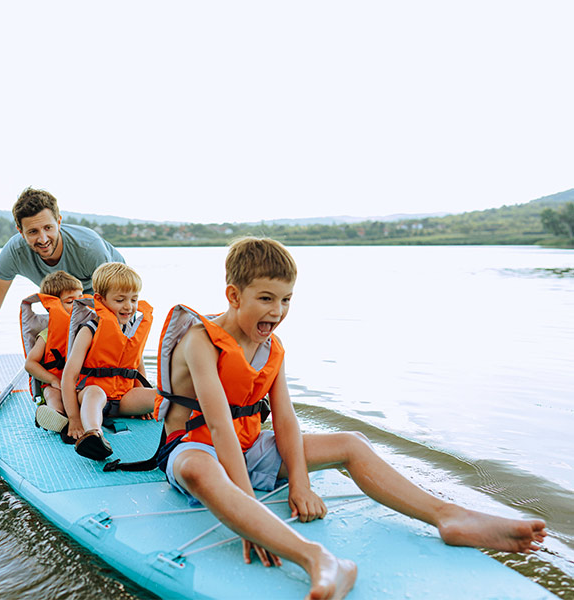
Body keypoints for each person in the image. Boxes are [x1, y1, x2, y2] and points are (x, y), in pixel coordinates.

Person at [153, 237, 547, 600]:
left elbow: (286, 418)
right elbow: (220, 426)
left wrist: (301, 484)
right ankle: (318, 560)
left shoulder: (271, 346)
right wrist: (246, 509)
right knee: (197, 471)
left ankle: (451, 517)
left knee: (352, 442)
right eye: (267, 298)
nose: (277, 312)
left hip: (249, 447)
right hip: (195, 448)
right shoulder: (199, 340)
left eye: (287, 300)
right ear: (234, 295)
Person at [0, 187, 125, 401]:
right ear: (20, 231)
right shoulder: (14, 253)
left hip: (108, 291)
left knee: (94, 340)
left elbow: (118, 310)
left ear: (59, 222)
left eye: (48, 227)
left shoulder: (89, 248)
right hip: (63, 297)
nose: (43, 239)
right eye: (33, 232)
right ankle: (57, 395)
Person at [62, 262, 156, 460]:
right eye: (120, 300)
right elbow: (69, 377)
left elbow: (136, 365)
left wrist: (141, 396)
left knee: (160, 396)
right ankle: (93, 434)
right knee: (95, 393)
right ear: (100, 299)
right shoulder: (89, 330)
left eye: (134, 299)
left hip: (123, 399)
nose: (129, 306)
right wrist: (74, 419)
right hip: (92, 395)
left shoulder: (130, 329)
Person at [22, 270, 83, 434]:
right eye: (71, 302)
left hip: (80, 386)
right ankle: (56, 415)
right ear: (52, 307)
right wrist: (53, 379)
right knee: (50, 393)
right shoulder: (47, 335)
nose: (78, 306)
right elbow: (30, 364)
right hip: (56, 386)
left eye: (81, 300)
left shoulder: (88, 331)